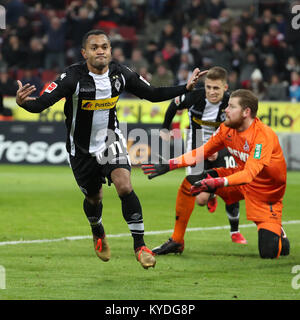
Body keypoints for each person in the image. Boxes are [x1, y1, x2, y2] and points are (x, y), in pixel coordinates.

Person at [16, 29, 204, 269]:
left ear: (110, 50)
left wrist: (184, 88)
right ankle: (98, 230)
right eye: (94, 47)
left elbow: (153, 94)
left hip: (110, 140)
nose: (100, 51)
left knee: (125, 185)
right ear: (85, 53)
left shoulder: (120, 74)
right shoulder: (72, 78)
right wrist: (24, 104)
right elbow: (41, 103)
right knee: (94, 198)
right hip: (81, 149)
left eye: (104, 46)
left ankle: (140, 246)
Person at [142, 89, 290, 259]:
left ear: (246, 112)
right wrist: (170, 164)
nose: (225, 110)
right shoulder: (226, 128)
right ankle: (177, 240)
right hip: (239, 178)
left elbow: (250, 174)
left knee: (270, 253)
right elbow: (203, 151)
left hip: (265, 193)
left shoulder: (262, 136)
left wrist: (218, 182)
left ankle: (275, 227)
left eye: (231, 107)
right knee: (192, 180)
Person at [151, 66, 246, 256]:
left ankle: (235, 231)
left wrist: (220, 152)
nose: (211, 92)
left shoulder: (232, 103)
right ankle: (210, 196)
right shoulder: (195, 97)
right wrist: (164, 128)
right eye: (209, 87)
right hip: (196, 147)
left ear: (225, 88)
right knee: (200, 199)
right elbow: (174, 104)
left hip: (223, 148)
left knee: (230, 188)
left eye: (216, 88)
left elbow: (241, 129)